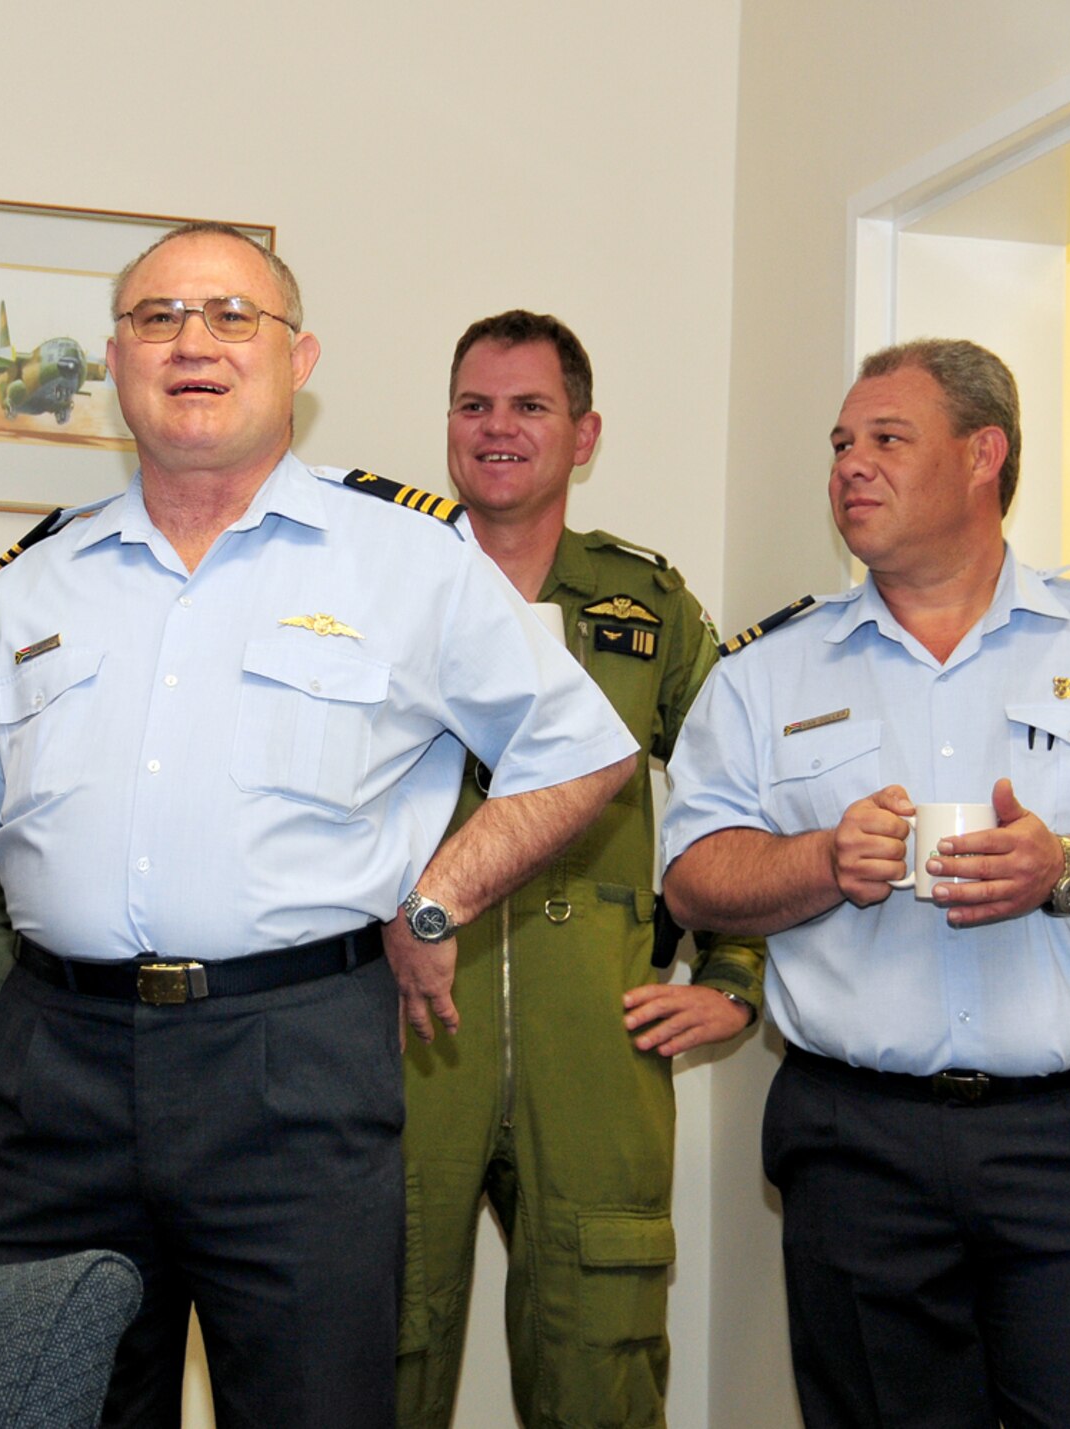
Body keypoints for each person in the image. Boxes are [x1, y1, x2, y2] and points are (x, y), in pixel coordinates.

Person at [0, 224, 637, 1429]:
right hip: (60, 1070)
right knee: (57, 1404)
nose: (191, 342)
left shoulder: (406, 562)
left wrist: (434, 901)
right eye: (156, 318)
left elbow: (585, 751)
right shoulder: (29, 586)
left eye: (228, 316)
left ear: (296, 357)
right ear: (114, 359)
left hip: (292, 1060)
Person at [660, 338, 1070, 1428]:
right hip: (856, 1143)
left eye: (884, 439)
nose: (848, 466)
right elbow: (689, 880)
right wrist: (819, 859)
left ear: (981, 455)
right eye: (838, 444)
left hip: (1069, 1142)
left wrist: (1065, 867)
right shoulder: (766, 670)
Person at [396, 311, 765, 1429]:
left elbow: (734, 796)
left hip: (597, 1037)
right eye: (473, 405)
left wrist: (734, 974)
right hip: (402, 1031)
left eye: (527, 406)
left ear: (582, 432)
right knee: (373, 1334)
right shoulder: (386, 586)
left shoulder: (641, 605)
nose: (496, 428)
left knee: (598, 1352)